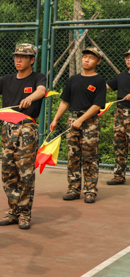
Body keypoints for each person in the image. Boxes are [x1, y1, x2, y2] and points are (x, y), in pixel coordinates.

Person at [0, 44, 46, 229]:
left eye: (23, 57)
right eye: (16, 56)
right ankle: (13, 211)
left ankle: (25, 213)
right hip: (7, 128)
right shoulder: (6, 80)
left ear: (32, 60)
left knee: (25, 173)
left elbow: (41, 90)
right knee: (8, 172)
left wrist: (31, 98)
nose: (18, 60)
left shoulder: (37, 78)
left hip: (27, 128)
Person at [50, 47, 106, 203]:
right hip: (72, 121)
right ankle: (73, 189)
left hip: (90, 122)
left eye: (91, 58)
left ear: (98, 61)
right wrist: (55, 119)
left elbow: (97, 105)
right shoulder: (73, 79)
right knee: (73, 156)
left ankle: (90, 191)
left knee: (90, 157)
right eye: (85, 56)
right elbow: (65, 101)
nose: (86, 60)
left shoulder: (99, 81)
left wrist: (81, 120)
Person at [105, 49, 130, 185]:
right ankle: (119, 176)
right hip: (120, 114)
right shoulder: (121, 76)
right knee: (119, 145)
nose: (129, 59)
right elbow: (105, 86)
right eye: (127, 57)